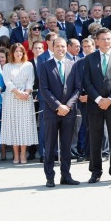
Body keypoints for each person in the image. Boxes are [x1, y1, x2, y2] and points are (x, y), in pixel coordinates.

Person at [83, 27, 111, 183]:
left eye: (109, 38)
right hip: (95, 105)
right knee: (95, 139)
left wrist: (109, 100)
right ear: (97, 41)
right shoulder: (89, 59)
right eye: (103, 39)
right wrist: (98, 99)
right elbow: (86, 82)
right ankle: (95, 172)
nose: (106, 41)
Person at [39, 38, 82, 187]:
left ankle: (66, 175)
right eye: (57, 46)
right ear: (52, 47)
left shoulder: (74, 65)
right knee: (50, 145)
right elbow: (44, 89)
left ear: (66, 48)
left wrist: (68, 106)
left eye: (63, 46)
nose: (61, 49)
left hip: (69, 112)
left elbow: (77, 88)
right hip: (52, 111)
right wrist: (58, 106)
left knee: (66, 145)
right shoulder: (45, 66)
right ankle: (50, 177)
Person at [0, 44, 38, 163]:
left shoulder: (28, 65)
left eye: (20, 51)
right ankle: (16, 155)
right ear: (12, 53)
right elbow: (7, 82)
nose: (18, 54)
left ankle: (23, 155)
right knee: (13, 126)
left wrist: (26, 93)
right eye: (16, 51)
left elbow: (31, 81)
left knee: (24, 126)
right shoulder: (7, 66)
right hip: (11, 97)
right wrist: (17, 93)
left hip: (26, 98)